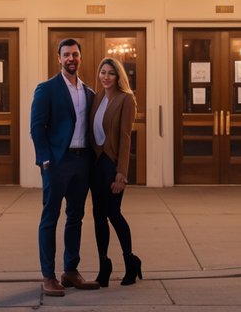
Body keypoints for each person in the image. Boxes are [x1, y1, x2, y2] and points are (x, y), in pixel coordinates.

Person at [30, 38, 100, 297]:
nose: (71, 59)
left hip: (82, 163)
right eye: (66, 54)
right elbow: (37, 126)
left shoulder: (89, 92)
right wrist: (45, 160)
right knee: (50, 217)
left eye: (75, 54)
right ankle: (48, 276)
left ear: (80, 58)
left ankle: (70, 270)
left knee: (76, 217)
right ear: (58, 59)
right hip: (57, 163)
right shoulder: (46, 89)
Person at [89, 57, 141, 286]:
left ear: (118, 76)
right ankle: (104, 266)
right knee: (98, 215)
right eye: (103, 72)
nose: (106, 77)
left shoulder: (126, 99)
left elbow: (126, 138)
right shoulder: (97, 96)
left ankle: (131, 260)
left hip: (112, 164)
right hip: (96, 164)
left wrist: (121, 172)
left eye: (111, 73)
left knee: (113, 213)